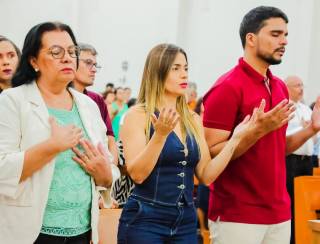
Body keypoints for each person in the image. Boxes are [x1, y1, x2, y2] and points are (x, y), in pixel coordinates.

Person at [117, 43, 258, 244]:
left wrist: (235, 140)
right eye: (176, 68)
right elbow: (138, 175)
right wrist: (160, 136)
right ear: (157, 71)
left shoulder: (192, 119)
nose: (184, 75)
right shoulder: (138, 115)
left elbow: (206, 175)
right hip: (145, 218)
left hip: (185, 219)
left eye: (185, 68)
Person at [203, 6, 320, 244]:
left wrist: (311, 130)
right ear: (251, 38)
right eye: (276, 34)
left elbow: (277, 147)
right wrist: (257, 132)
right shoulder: (227, 87)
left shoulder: (278, 87)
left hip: (278, 211)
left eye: (286, 35)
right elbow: (212, 154)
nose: (284, 41)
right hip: (238, 214)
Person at [0, 22, 120, 244]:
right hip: (33, 232)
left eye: (72, 52)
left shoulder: (88, 105)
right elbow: (2, 168)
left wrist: (105, 174)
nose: (67, 58)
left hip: (81, 231)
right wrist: (52, 146)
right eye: (56, 52)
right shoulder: (12, 101)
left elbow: (107, 165)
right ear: (33, 60)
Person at [72, 42, 118, 164]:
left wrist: (111, 171)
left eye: (95, 65)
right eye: (88, 63)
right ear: (72, 62)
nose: (94, 70)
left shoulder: (96, 100)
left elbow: (110, 140)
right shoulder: (59, 98)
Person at [285, 75, 315, 244]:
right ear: (287, 87)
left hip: (307, 161)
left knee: (304, 203)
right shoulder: (284, 107)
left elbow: (314, 137)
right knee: (290, 201)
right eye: (297, 85)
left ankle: (302, 238)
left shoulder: (306, 109)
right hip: (291, 159)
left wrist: (312, 130)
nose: (301, 89)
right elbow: (282, 135)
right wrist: (300, 129)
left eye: (302, 85)